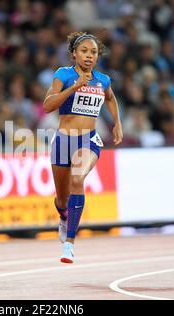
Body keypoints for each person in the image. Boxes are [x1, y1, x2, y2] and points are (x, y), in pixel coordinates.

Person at [43, 32, 123, 263]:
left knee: (78, 178)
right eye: (85, 51)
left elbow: (110, 98)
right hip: (62, 141)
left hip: (88, 140)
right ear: (74, 54)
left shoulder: (103, 80)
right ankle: (63, 216)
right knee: (61, 200)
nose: (89, 56)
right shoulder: (64, 74)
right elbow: (48, 105)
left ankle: (69, 244)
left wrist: (117, 123)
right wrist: (74, 87)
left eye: (94, 52)